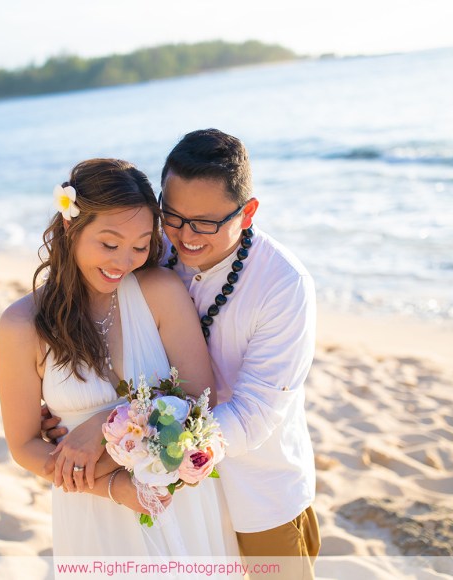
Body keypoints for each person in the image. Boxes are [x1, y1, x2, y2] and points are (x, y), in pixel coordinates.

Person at [44, 131, 320, 577]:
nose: (185, 237)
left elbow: (252, 414)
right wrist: (66, 403)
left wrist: (117, 437)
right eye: (171, 216)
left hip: (257, 493)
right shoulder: (150, 250)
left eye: (205, 223)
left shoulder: (284, 285)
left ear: (247, 212)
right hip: (170, 501)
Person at [0, 158, 238, 559]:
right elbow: (23, 445)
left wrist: (100, 429)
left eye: (140, 246)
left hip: (179, 503)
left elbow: (201, 400)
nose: (123, 262)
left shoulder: (159, 291)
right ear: (71, 227)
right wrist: (112, 487)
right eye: (109, 244)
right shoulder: (21, 326)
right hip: (92, 514)